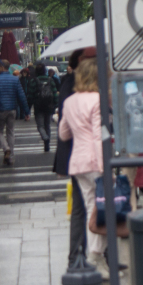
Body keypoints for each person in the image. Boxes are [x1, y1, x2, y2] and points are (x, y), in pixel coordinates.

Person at [58, 55, 107, 266]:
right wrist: (105, 166)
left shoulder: (69, 101)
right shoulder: (97, 100)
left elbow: (63, 134)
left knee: (90, 207)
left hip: (77, 162)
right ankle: (96, 256)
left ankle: (97, 257)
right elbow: (98, 136)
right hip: (95, 161)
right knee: (101, 209)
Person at [0, 59, 29, 166]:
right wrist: (27, 111)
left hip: (0, 110)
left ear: (2, 67)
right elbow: (21, 96)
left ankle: (6, 149)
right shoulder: (15, 79)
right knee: (11, 132)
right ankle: (10, 156)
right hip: (12, 110)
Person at [29, 63, 60, 153]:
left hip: (38, 106)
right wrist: (56, 105)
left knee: (40, 126)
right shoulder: (50, 80)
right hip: (49, 106)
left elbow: (30, 94)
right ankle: (47, 144)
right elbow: (54, 93)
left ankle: (45, 138)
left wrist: (29, 106)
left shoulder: (34, 81)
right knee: (47, 125)